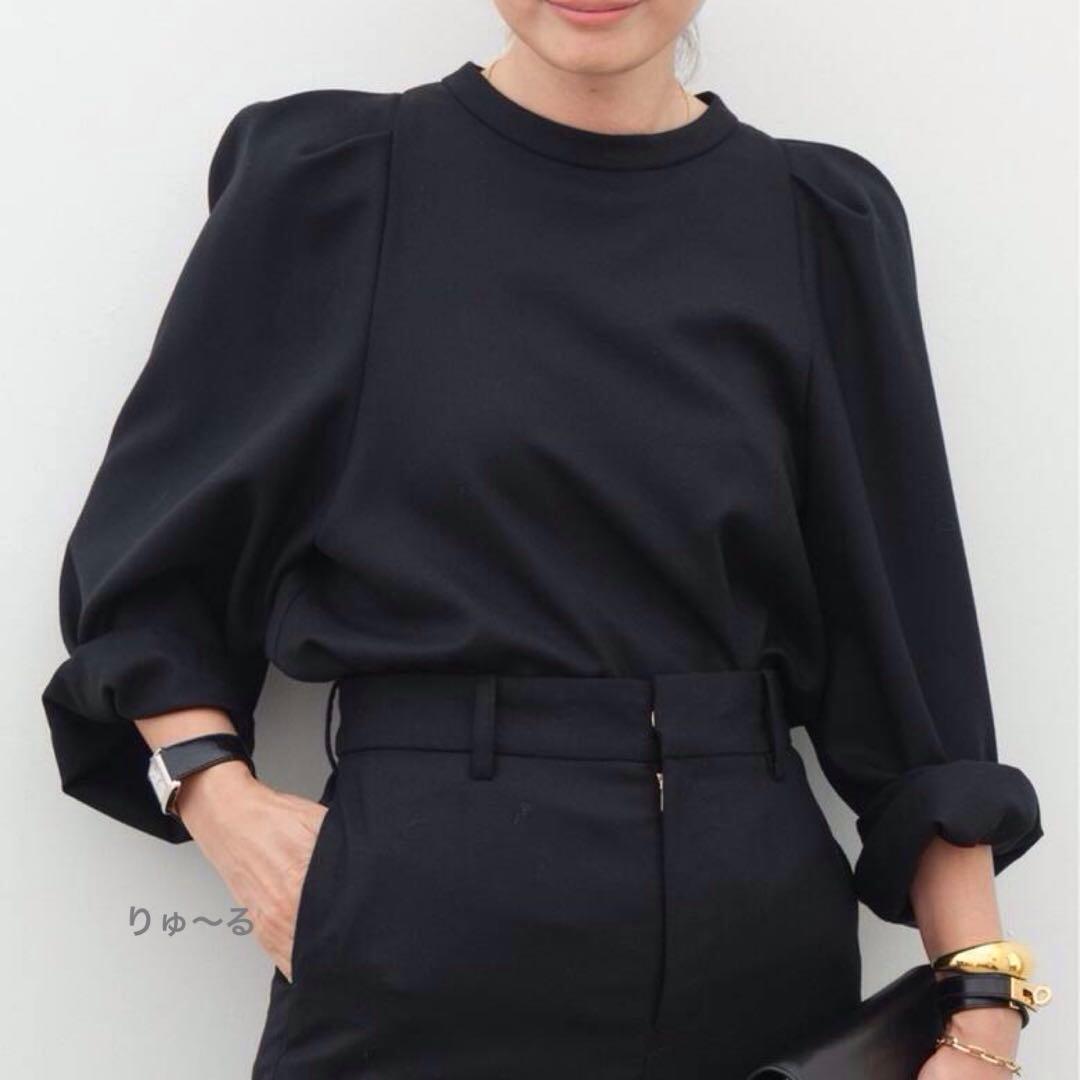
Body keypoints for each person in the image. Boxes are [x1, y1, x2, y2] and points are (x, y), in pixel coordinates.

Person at [41, 2, 1046, 1077]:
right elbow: (155, 568)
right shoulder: (337, 180)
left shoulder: (816, 218)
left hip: (750, 946)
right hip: (414, 922)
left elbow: (902, 642)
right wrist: (221, 802)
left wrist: (981, 1002)